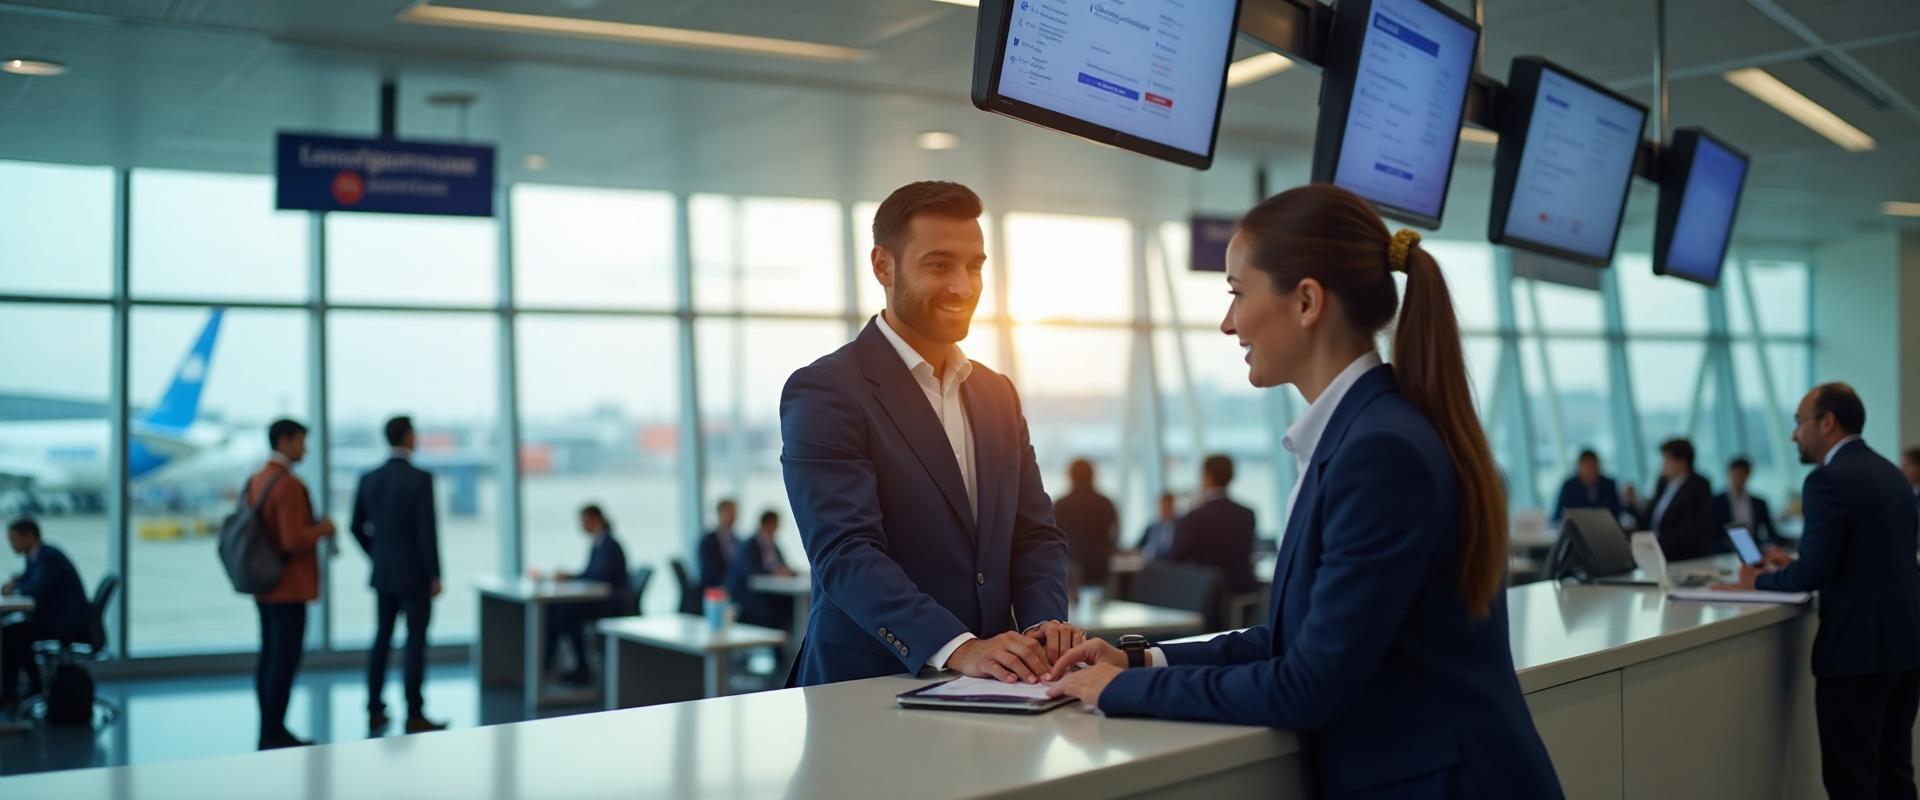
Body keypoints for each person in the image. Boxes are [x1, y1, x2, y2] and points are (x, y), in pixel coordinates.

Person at [1042, 185, 1560, 797]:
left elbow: (1308, 685)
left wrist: (1121, 692)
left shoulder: (1379, 452)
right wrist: (1138, 661)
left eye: (1237, 292)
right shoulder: (1367, 433)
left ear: (1308, 301)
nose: (1227, 321)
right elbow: (1289, 641)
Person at [780, 180, 1077, 688]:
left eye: (975, 266)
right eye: (939, 265)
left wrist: (1041, 628)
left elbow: (1034, 533)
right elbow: (846, 551)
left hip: (994, 686)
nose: (963, 286)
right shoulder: (826, 390)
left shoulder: (996, 393)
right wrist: (959, 648)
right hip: (867, 687)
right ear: (883, 266)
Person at [1723, 383, 1920, 800]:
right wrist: (1793, 564)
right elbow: (1867, 559)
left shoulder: (1826, 480)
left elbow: (1810, 577)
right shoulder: (1892, 474)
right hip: (1905, 645)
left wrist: (1755, 580)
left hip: (1857, 652)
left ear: (1827, 422)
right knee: (1895, 774)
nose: (1795, 434)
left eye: (1799, 422)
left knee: (1853, 782)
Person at [348, 416, 446, 734]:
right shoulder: (420, 479)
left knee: (381, 639)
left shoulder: (368, 477)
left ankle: (375, 707)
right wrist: (435, 573)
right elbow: (426, 532)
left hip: (384, 572)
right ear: (407, 436)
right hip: (415, 574)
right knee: (415, 643)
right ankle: (414, 712)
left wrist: (377, 555)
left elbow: (355, 527)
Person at [248, 419, 335, 750]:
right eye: (301, 441)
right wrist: (322, 529)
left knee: (269, 657)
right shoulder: (288, 485)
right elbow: (292, 539)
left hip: (264, 585)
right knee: (283, 661)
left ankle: (268, 726)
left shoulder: (257, 480)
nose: (305, 449)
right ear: (285, 441)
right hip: (288, 586)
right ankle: (275, 731)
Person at [533, 504, 630, 685]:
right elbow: (590, 574)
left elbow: (599, 578)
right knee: (556, 611)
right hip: (599, 599)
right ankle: (553, 665)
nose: (582, 525)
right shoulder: (598, 544)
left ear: (596, 519)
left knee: (565, 614)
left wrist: (571, 578)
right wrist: (570, 576)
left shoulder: (610, 546)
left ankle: (578, 666)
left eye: (584, 521)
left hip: (609, 603)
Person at [0, 518, 89, 707]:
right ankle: (25, 688)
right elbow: (29, 579)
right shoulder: (36, 556)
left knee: (12, 634)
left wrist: (15, 587)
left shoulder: (49, 557)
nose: (11, 544)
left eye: (14, 539)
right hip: (55, 618)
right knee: (13, 631)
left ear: (30, 536)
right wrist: (17, 582)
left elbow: (36, 588)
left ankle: (23, 690)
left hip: (65, 623)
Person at [1167, 455, 1258, 595]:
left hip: (1208, 594)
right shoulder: (1248, 514)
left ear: (1207, 476)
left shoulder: (1194, 517)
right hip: (1243, 589)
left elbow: (1174, 558)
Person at [1623, 438, 1716, 561]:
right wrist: (1632, 503)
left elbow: (1688, 534)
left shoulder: (1698, 487)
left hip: (1685, 559)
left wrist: (1652, 547)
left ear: (1682, 462)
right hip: (1657, 556)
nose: (1663, 465)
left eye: (1667, 460)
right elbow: (1648, 521)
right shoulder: (1663, 483)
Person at [1052, 458, 1119, 591]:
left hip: (1069, 567)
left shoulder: (1060, 505)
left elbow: (1053, 538)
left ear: (1070, 476)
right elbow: (1115, 534)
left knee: (1070, 608)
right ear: (1093, 475)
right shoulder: (1106, 503)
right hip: (1100, 566)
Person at [727, 510, 795, 630]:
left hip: (770, 592)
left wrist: (791, 572)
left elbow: (782, 565)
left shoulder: (773, 544)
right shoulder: (749, 544)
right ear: (769, 523)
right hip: (751, 596)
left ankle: (789, 645)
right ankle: (781, 646)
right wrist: (774, 573)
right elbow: (749, 571)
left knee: (793, 605)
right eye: (776, 524)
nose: (778, 527)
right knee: (778, 612)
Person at [1710, 456, 1783, 551]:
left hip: (1755, 550)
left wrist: (1770, 545)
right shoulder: (1716, 501)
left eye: (1741, 474)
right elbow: (1713, 534)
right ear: (1729, 474)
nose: (1738, 478)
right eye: (1735, 473)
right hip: (1726, 552)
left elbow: (1771, 532)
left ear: (1748, 475)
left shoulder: (1759, 503)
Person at [1551, 449, 1622, 523]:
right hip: (1576, 529)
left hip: (1606, 527)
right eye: (1585, 465)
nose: (1589, 469)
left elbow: (1618, 512)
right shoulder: (1569, 486)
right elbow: (1558, 515)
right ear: (1579, 467)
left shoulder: (1609, 484)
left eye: (1592, 465)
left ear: (1598, 466)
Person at [695, 499, 739, 592]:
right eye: (729, 512)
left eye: (735, 512)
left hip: (736, 586)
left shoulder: (737, 540)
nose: (733, 516)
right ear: (719, 513)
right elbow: (709, 572)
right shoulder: (708, 541)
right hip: (715, 588)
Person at [1134, 492, 1180, 561]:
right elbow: (1138, 547)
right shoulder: (1152, 527)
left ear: (1173, 506)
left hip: (1171, 562)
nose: (1164, 510)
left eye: (1167, 506)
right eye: (1162, 506)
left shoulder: (1180, 526)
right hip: (1152, 561)